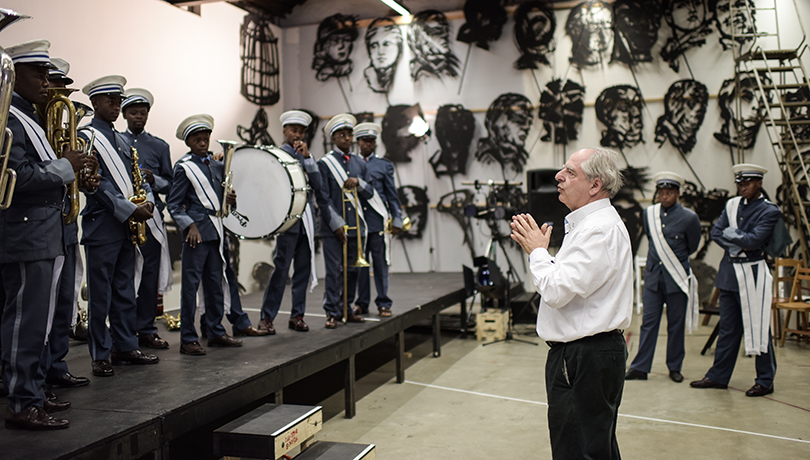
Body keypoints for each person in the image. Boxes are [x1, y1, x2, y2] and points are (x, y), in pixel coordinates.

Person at [510, 147, 632, 459]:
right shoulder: (592, 225)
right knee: (595, 447)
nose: (558, 177)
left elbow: (555, 290)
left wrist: (537, 251)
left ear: (595, 185)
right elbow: (569, 281)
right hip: (588, 354)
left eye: (570, 172)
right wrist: (543, 254)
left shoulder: (597, 229)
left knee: (576, 451)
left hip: (585, 356)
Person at [1, 40, 88, 430]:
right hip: (26, 233)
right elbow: (14, 178)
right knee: (26, 322)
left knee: (41, 321)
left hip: (43, 232)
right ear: (13, 75)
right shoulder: (7, 119)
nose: (46, 81)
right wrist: (65, 167)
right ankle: (21, 402)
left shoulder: (27, 117)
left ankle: (33, 394)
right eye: (37, 73)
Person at [80, 75, 159, 377]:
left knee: (125, 289)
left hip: (127, 225)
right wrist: (130, 210)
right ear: (95, 103)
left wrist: (147, 201)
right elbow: (94, 186)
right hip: (103, 225)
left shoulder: (123, 140)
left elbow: (136, 177)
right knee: (101, 294)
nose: (115, 105)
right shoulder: (86, 136)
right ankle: (101, 354)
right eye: (110, 100)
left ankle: (126, 345)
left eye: (118, 101)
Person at [690, 164, 781, 397]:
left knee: (759, 328)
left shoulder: (770, 211)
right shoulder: (731, 205)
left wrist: (735, 235)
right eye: (740, 183)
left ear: (759, 183)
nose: (743, 187)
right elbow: (718, 233)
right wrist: (740, 237)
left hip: (752, 275)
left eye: (747, 183)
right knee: (728, 330)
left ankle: (765, 379)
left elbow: (755, 241)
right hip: (729, 275)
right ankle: (718, 376)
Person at [167, 114, 242, 356]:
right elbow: (174, 204)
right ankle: (188, 338)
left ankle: (216, 331)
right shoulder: (184, 167)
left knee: (215, 284)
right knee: (190, 288)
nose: (203, 142)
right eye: (197, 139)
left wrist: (230, 200)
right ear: (188, 142)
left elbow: (223, 200)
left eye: (206, 138)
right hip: (197, 234)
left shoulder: (217, 165)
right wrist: (189, 225)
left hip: (217, 230)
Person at [41, 57, 93, 392]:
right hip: (40, 228)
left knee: (63, 301)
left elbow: (69, 177)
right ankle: (30, 374)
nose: (57, 92)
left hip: (66, 226)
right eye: (53, 84)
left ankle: (56, 365)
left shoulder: (64, 129)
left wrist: (85, 179)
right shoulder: (27, 126)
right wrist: (64, 164)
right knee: (36, 309)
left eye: (61, 86)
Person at [626, 172, 701, 383]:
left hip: (676, 278)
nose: (664, 197)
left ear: (677, 193)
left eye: (669, 193)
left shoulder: (689, 218)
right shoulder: (649, 214)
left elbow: (692, 246)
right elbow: (651, 239)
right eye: (661, 192)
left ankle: (674, 367)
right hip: (653, 279)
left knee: (675, 325)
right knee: (648, 323)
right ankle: (640, 367)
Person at [259, 110, 322, 334]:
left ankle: (298, 315)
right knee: (281, 270)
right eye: (293, 130)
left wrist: (309, 159)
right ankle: (267, 317)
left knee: (302, 271)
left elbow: (318, 185)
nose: (297, 135)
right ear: (284, 130)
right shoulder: (277, 155)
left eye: (301, 131)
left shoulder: (305, 156)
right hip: (287, 222)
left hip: (306, 224)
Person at [119, 88, 173, 350]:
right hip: (124, 218)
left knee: (149, 276)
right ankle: (124, 332)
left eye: (142, 113)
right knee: (126, 276)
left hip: (150, 219)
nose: (138, 117)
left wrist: (155, 180)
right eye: (133, 112)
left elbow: (171, 184)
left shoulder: (160, 146)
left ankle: (147, 329)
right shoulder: (115, 141)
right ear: (124, 114)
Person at [316, 114, 372, 328]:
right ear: (334, 138)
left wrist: (360, 182)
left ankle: (347, 308)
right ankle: (332, 311)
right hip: (333, 228)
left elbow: (370, 192)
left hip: (356, 225)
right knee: (334, 270)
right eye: (342, 135)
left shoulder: (359, 163)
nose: (347, 138)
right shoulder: (325, 164)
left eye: (350, 135)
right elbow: (322, 197)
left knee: (352, 270)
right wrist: (336, 223)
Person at [347, 122, 403, 317]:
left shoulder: (384, 165)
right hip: (357, 223)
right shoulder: (350, 163)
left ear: (375, 142)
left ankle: (383, 302)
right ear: (358, 142)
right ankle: (361, 303)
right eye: (364, 141)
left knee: (379, 264)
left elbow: (392, 194)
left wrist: (397, 218)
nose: (368, 144)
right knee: (361, 267)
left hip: (376, 222)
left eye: (371, 141)